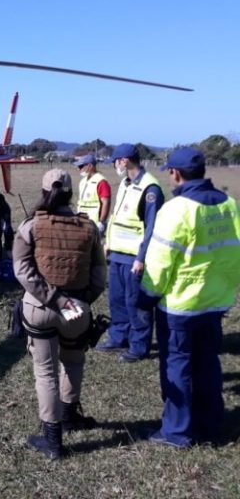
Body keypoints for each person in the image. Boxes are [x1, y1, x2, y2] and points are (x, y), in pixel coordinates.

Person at [139, 147, 240, 447]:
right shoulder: (229, 205)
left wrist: (147, 296)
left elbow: (160, 261)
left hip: (180, 305)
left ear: (176, 173)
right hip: (216, 301)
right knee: (208, 362)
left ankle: (176, 430)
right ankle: (210, 421)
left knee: (177, 365)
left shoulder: (176, 209)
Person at [13, 168, 106, 459]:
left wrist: (54, 298)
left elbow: (23, 271)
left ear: (44, 191)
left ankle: (53, 442)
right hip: (78, 311)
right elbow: (99, 274)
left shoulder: (30, 226)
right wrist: (82, 300)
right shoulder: (88, 228)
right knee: (74, 363)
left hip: (40, 309)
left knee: (45, 373)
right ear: (71, 193)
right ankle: (70, 416)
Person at [98, 143, 164, 363]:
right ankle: (119, 337)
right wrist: (108, 242)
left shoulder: (150, 188)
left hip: (134, 259)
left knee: (135, 303)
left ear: (124, 161)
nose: (114, 165)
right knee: (117, 300)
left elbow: (151, 228)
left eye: (115, 161)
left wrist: (141, 258)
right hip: (116, 254)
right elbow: (118, 218)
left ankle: (139, 346)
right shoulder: (126, 184)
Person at [74, 153, 111, 235]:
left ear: (90, 166)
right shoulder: (83, 181)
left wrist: (101, 222)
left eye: (81, 166)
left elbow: (106, 203)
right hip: (82, 222)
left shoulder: (101, 181)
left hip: (95, 224)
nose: (79, 169)